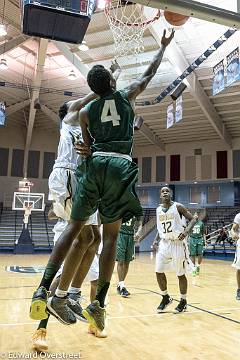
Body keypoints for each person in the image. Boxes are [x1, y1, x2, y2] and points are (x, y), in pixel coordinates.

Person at [30, 29, 175, 337]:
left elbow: (92, 119)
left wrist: (110, 77)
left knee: (90, 240)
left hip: (89, 170)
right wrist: (159, 51)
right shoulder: (75, 112)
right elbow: (128, 84)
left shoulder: (85, 114)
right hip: (85, 173)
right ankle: (57, 300)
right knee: (90, 239)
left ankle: (59, 296)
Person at [31, 98, 102, 350]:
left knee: (94, 238)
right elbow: (88, 97)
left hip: (80, 183)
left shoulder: (87, 133)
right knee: (81, 242)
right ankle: (41, 328)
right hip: (68, 179)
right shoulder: (70, 117)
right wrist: (107, 83)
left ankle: (73, 298)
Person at [153, 187, 197, 313]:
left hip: (177, 243)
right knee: (158, 271)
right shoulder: (158, 210)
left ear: (170, 194)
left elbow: (194, 218)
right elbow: (160, 227)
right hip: (164, 243)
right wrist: (155, 241)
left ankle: (183, 301)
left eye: (167, 191)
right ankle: (165, 297)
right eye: (162, 191)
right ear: (160, 196)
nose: (165, 192)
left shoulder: (178, 207)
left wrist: (186, 231)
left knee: (180, 273)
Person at [116, 217, 142, 297]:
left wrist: (138, 232)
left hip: (131, 236)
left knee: (127, 262)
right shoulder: (121, 206)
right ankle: (122, 286)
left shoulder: (137, 209)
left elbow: (140, 224)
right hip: (120, 234)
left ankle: (120, 285)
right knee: (120, 261)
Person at [230, 213, 240, 300]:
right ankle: (239, 290)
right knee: (239, 268)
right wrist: (233, 234)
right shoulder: (239, 216)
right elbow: (233, 229)